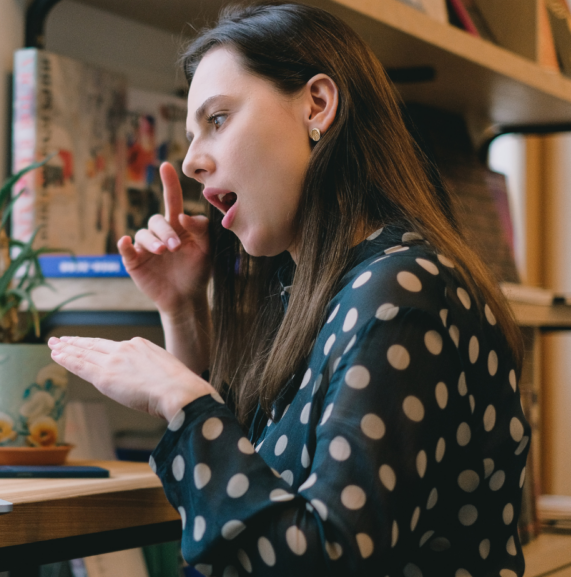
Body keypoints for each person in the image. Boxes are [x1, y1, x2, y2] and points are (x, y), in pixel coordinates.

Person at [46, 2, 530, 576]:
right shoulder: (309, 292)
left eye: (218, 119)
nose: (194, 160)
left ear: (317, 105)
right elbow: (255, 485)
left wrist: (181, 401)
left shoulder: (402, 288)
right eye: (191, 133)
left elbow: (326, 560)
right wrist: (181, 310)